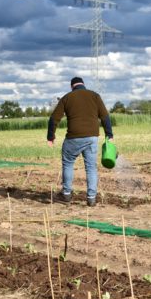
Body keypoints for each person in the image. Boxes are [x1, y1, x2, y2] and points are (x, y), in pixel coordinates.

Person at [47, 77, 113, 206]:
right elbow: (105, 117)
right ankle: (92, 198)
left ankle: (66, 195)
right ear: (83, 84)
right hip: (92, 138)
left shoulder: (67, 97)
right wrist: (109, 134)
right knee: (91, 167)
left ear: (72, 86)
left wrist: (51, 137)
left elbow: (54, 119)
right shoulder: (95, 96)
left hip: (73, 138)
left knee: (68, 164)